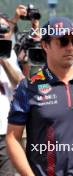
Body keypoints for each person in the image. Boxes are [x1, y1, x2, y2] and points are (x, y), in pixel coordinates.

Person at [5, 16, 73, 176]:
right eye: (63, 41)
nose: (70, 47)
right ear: (45, 45)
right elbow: (12, 138)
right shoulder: (28, 86)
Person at [0, 10, 24, 176]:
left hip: (4, 131)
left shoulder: (10, 55)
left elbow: (19, 84)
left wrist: (4, 60)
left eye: (4, 28)